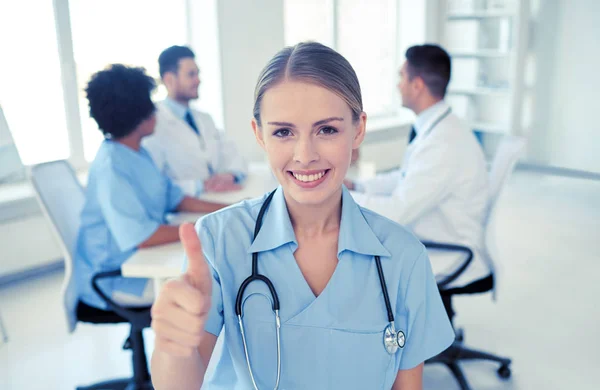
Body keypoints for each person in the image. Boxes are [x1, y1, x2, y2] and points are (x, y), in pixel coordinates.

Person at [150, 42, 454, 390]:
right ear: (259, 134)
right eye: (283, 132)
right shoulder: (220, 240)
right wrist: (172, 347)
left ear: (357, 130)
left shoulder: (403, 257)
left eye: (327, 130)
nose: (305, 155)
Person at [75, 64, 228, 310]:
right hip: (119, 277)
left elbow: (175, 198)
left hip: (144, 260)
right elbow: (144, 237)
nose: (155, 111)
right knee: (213, 285)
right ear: (137, 115)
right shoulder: (111, 167)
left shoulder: (137, 152)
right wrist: (206, 228)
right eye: (150, 105)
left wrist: (228, 211)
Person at [346, 44, 490, 287]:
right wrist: (358, 186)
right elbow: (405, 177)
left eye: (401, 76)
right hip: (434, 233)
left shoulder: (443, 143)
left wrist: (343, 197)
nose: (397, 85)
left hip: (447, 250)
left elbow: (397, 212)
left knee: (354, 261)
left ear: (417, 85)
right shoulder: (440, 128)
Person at [142, 45, 247, 196]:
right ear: (169, 80)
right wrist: (200, 185)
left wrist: (231, 175)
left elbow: (234, 155)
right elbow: (154, 182)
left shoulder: (205, 119)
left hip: (219, 198)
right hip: (184, 208)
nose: (198, 80)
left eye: (198, 74)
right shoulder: (153, 123)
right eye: (191, 75)